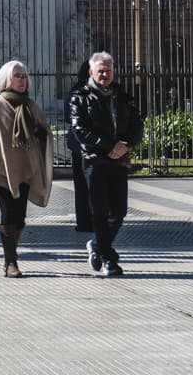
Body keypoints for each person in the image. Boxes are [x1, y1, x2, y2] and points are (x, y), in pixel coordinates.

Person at [0, 60, 53, 278]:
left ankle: (12, 254)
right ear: (7, 79)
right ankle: (10, 263)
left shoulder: (30, 106)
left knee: (20, 218)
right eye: (18, 76)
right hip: (0, 171)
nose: (22, 80)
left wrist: (39, 131)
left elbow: (44, 134)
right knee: (8, 214)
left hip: (26, 171)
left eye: (24, 76)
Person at [69, 51, 141, 277]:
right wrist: (108, 146)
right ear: (91, 72)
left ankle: (98, 246)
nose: (105, 74)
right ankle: (109, 259)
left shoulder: (122, 96)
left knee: (119, 212)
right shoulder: (80, 96)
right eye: (100, 70)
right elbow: (80, 130)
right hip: (95, 162)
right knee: (99, 212)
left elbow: (137, 125)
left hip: (119, 161)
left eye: (108, 70)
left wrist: (125, 145)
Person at [64, 59, 93, 234]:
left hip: (78, 145)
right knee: (95, 185)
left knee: (81, 186)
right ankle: (95, 219)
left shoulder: (75, 91)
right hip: (89, 146)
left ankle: (83, 221)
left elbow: (68, 116)